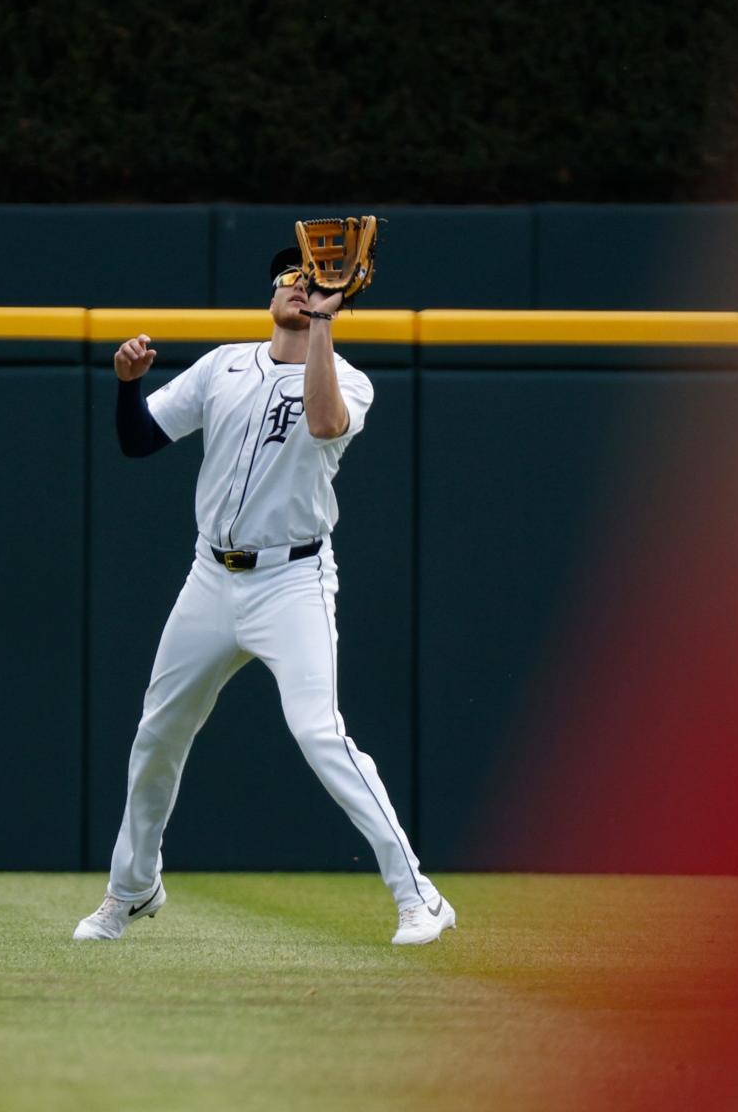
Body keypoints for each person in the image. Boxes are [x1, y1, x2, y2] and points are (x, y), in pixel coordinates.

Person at [73, 246, 455, 947]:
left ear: (338, 300)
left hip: (293, 581)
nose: (298, 286)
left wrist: (324, 326)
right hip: (210, 578)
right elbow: (137, 440)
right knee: (157, 734)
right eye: (291, 276)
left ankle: (419, 896)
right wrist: (126, 383)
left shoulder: (348, 380)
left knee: (319, 732)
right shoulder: (222, 364)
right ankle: (132, 890)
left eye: (312, 280)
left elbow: (322, 423)